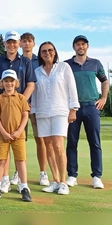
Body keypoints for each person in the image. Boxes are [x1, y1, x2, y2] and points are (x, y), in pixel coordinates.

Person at [0, 30, 36, 193]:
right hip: (1, 108)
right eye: (9, 42)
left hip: (19, 109)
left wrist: (19, 100)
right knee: (3, 148)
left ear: (19, 43)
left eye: (15, 42)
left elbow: (30, 84)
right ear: (5, 44)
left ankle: (20, 181)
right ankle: (5, 180)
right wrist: (0, 101)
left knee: (18, 145)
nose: (12, 45)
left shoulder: (26, 61)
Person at [31, 41, 79, 195]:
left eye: (50, 50)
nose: (47, 53)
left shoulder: (64, 67)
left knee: (58, 145)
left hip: (60, 111)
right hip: (42, 112)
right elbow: (34, 94)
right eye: (44, 51)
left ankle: (64, 182)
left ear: (55, 51)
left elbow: (72, 88)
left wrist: (73, 109)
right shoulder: (37, 71)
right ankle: (55, 181)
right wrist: (33, 111)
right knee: (48, 146)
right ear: (40, 54)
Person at [65, 35, 109, 189]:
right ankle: (72, 175)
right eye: (77, 44)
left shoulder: (95, 63)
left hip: (92, 107)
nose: (80, 47)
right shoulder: (67, 65)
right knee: (71, 142)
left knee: (95, 143)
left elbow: (104, 80)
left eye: (83, 44)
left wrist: (103, 97)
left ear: (87, 46)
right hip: (73, 108)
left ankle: (96, 176)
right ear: (74, 47)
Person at [0, 69, 31, 202]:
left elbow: (25, 115)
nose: (9, 84)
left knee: (20, 161)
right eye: (6, 81)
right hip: (3, 135)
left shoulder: (21, 98)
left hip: (19, 135)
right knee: (1, 161)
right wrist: (4, 132)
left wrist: (18, 131)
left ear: (15, 82)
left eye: (11, 81)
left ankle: (24, 188)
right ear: (2, 83)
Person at [20, 32, 50, 186]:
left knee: (41, 140)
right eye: (24, 41)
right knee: (19, 140)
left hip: (38, 105)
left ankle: (43, 173)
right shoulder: (17, 61)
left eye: (29, 41)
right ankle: (18, 173)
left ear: (33, 43)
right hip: (20, 106)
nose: (27, 44)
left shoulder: (40, 61)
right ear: (20, 44)